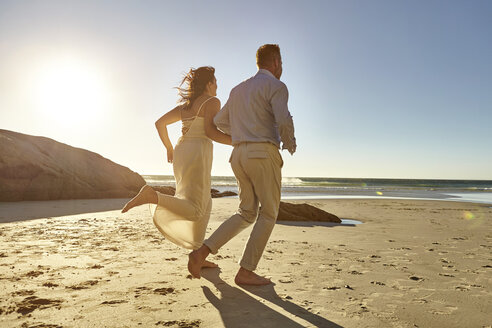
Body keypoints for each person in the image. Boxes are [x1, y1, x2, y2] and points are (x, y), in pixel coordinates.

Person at [188, 44, 296, 285]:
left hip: (238, 156)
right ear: (276, 61)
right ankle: (246, 271)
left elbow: (219, 121)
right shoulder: (277, 86)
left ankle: (200, 253)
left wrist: (242, 133)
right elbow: (282, 119)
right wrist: (290, 142)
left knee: (247, 212)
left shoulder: (238, 89)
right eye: (282, 62)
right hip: (262, 153)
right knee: (268, 213)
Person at [121, 66, 231, 271]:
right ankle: (153, 196)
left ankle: (197, 253)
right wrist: (238, 142)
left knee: (205, 202)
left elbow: (160, 123)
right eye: (215, 82)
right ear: (208, 84)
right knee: (196, 208)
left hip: (182, 150)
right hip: (198, 151)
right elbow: (211, 132)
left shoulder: (186, 105)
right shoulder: (212, 101)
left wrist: (169, 148)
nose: (217, 86)